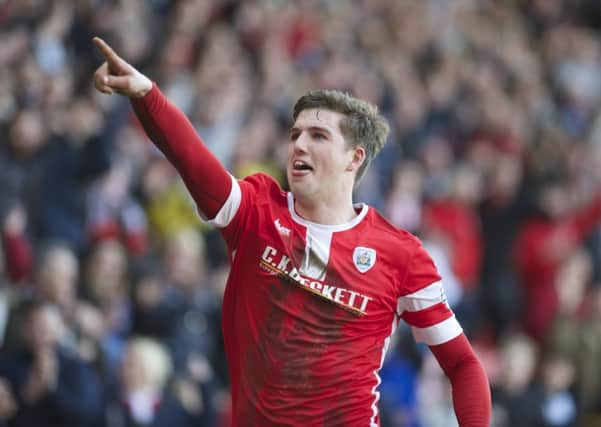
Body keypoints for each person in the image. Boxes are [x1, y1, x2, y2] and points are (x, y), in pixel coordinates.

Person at [92, 36, 491, 426]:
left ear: (354, 159)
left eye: (317, 136)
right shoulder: (256, 212)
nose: (299, 144)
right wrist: (147, 95)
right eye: (295, 134)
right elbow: (194, 162)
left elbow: (462, 363)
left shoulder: (400, 253)